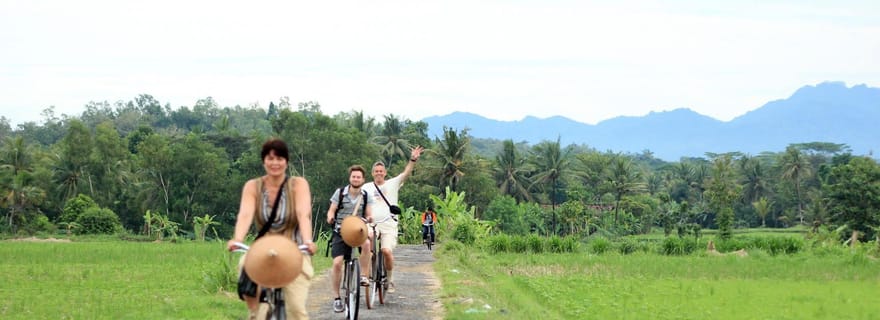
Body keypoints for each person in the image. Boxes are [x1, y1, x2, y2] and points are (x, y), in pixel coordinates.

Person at [227, 138, 317, 320]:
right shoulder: (253, 186)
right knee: (246, 269)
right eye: (270, 158)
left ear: (286, 161)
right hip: (263, 250)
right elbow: (245, 214)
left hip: (295, 249)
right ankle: (255, 313)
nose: (275, 163)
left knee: (296, 310)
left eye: (279, 158)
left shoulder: (298, 185)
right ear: (263, 161)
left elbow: (303, 214)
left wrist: (308, 240)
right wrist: (237, 239)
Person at [362, 145, 423, 293]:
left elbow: (406, 172)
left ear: (385, 173)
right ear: (372, 173)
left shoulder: (392, 183)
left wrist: (413, 159)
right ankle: (366, 275)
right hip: (371, 224)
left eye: (381, 171)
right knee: (368, 246)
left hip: (389, 224)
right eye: (376, 172)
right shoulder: (366, 187)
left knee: (386, 251)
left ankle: (389, 279)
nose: (379, 174)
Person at [326, 165, 374, 313]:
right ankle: (337, 298)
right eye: (354, 176)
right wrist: (330, 217)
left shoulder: (366, 196)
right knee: (337, 263)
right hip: (341, 230)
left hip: (358, 230)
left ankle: (364, 276)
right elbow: (331, 210)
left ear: (363, 179)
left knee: (367, 243)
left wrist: (370, 218)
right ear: (350, 178)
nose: (356, 179)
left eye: (359, 177)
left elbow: (369, 213)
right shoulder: (340, 193)